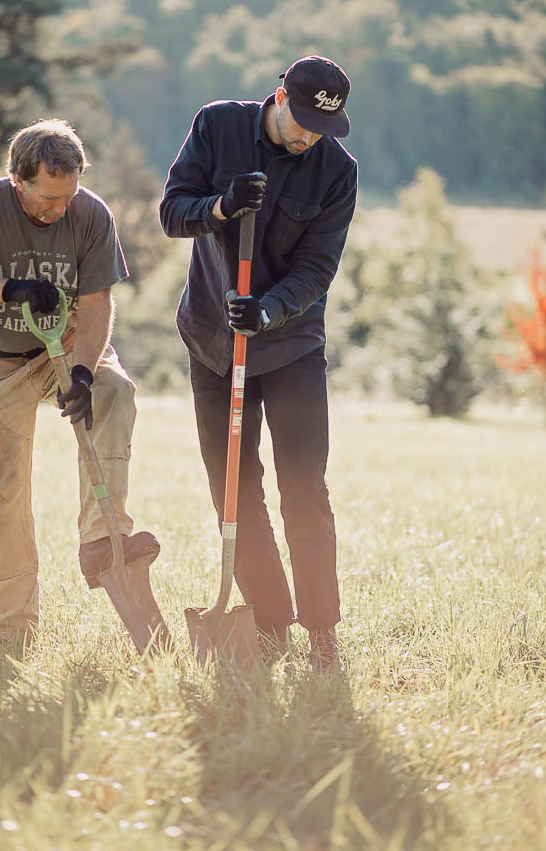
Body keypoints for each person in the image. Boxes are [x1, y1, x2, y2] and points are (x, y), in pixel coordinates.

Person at [0, 118, 159, 644]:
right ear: (18, 181)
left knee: (113, 390)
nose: (59, 209)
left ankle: (103, 538)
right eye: (48, 198)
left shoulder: (91, 213)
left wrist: (80, 371)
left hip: (66, 345)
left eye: (68, 196)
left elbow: (98, 302)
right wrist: (7, 290)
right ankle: (11, 626)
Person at [160, 56, 358, 669]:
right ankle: (270, 627)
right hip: (212, 342)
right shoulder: (217, 125)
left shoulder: (336, 171)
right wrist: (219, 208)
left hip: (291, 342)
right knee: (234, 491)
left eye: (320, 127)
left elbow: (318, 268)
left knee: (304, 486)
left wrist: (268, 311)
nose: (307, 136)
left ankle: (321, 631)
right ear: (278, 97)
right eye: (299, 120)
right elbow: (172, 212)